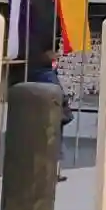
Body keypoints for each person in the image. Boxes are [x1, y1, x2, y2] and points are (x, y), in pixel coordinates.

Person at [28, 48, 74, 180]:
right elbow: (56, 93)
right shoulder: (49, 76)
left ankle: (46, 171)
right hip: (53, 113)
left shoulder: (37, 74)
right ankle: (53, 172)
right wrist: (65, 99)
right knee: (54, 143)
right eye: (56, 61)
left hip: (42, 113)